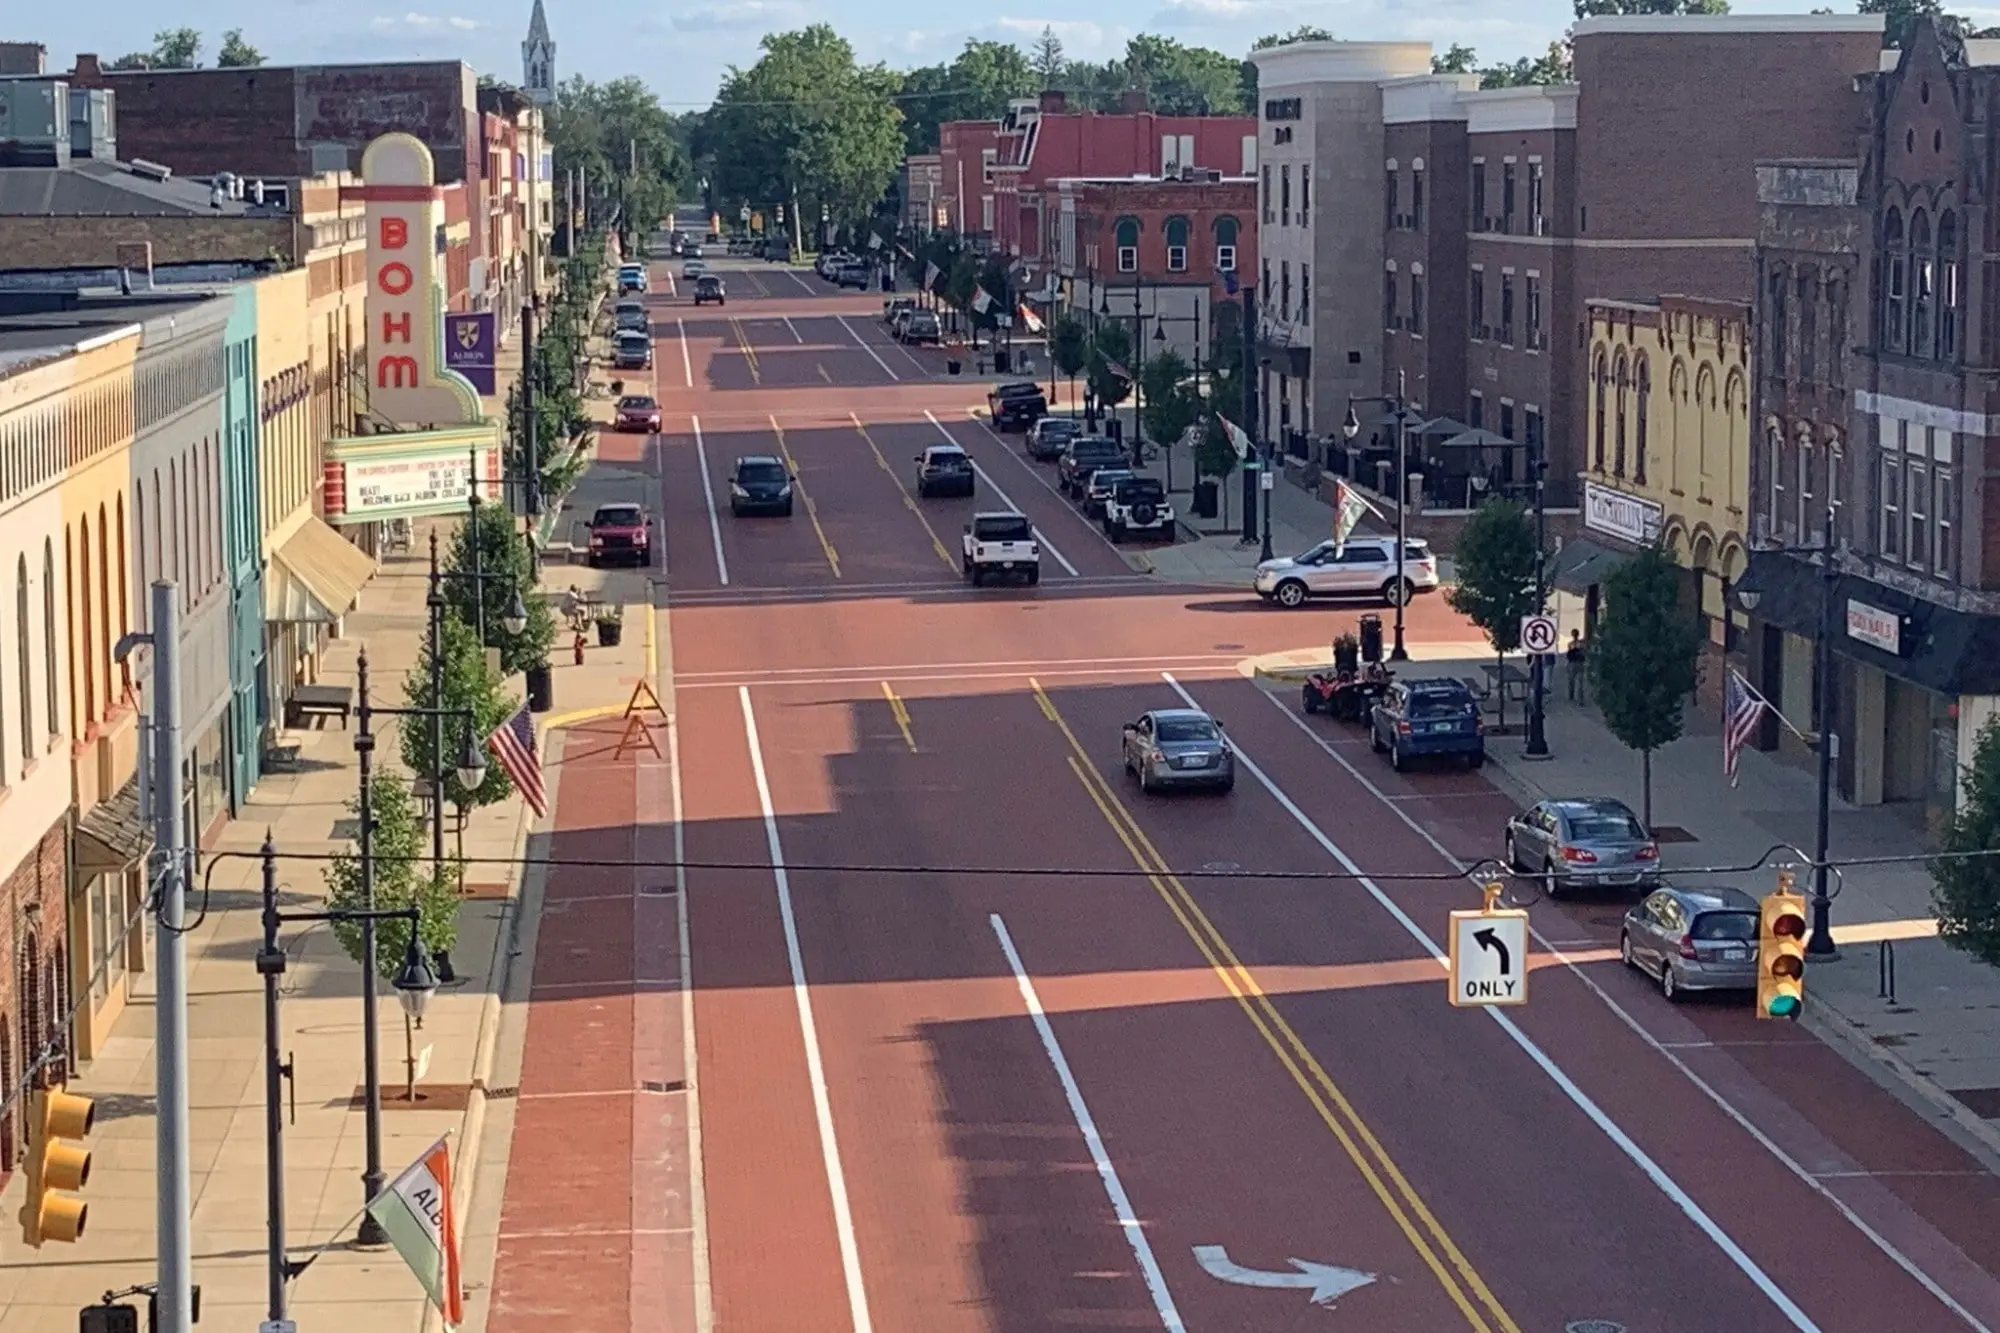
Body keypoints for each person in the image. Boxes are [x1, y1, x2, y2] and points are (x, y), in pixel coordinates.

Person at [1565, 628, 1588, 703]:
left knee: (1571, 681)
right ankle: (1579, 698)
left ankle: (1571, 696)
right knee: (1579, 682)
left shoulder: (1570, 644)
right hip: (1579, 663)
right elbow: (1584, 653)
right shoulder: (1581, 644)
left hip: (1572, 663)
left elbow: (1568, 655)